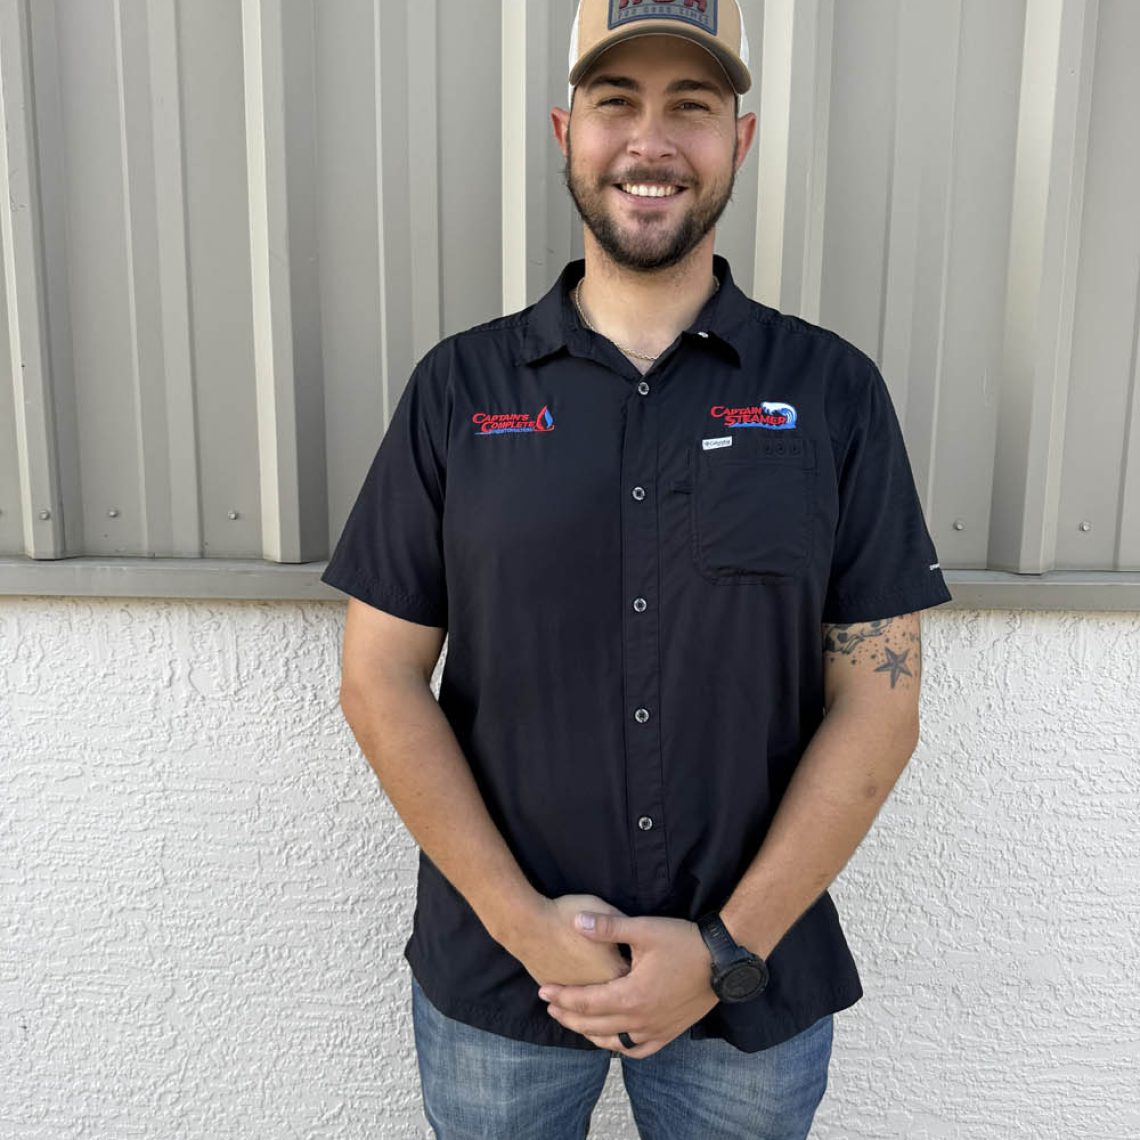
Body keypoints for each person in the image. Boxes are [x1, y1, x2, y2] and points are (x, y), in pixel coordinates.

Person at [322, 1, 951, 1136]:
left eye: (691, 107)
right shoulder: (460, 392)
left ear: (739, 142)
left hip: (750, 984)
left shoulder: (832, 393)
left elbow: (880, 705)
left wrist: (722, 950)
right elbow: (379, 679)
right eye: (617, 103)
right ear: (567, 133)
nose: (651, 142)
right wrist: (524, 927)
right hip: (501, 982)